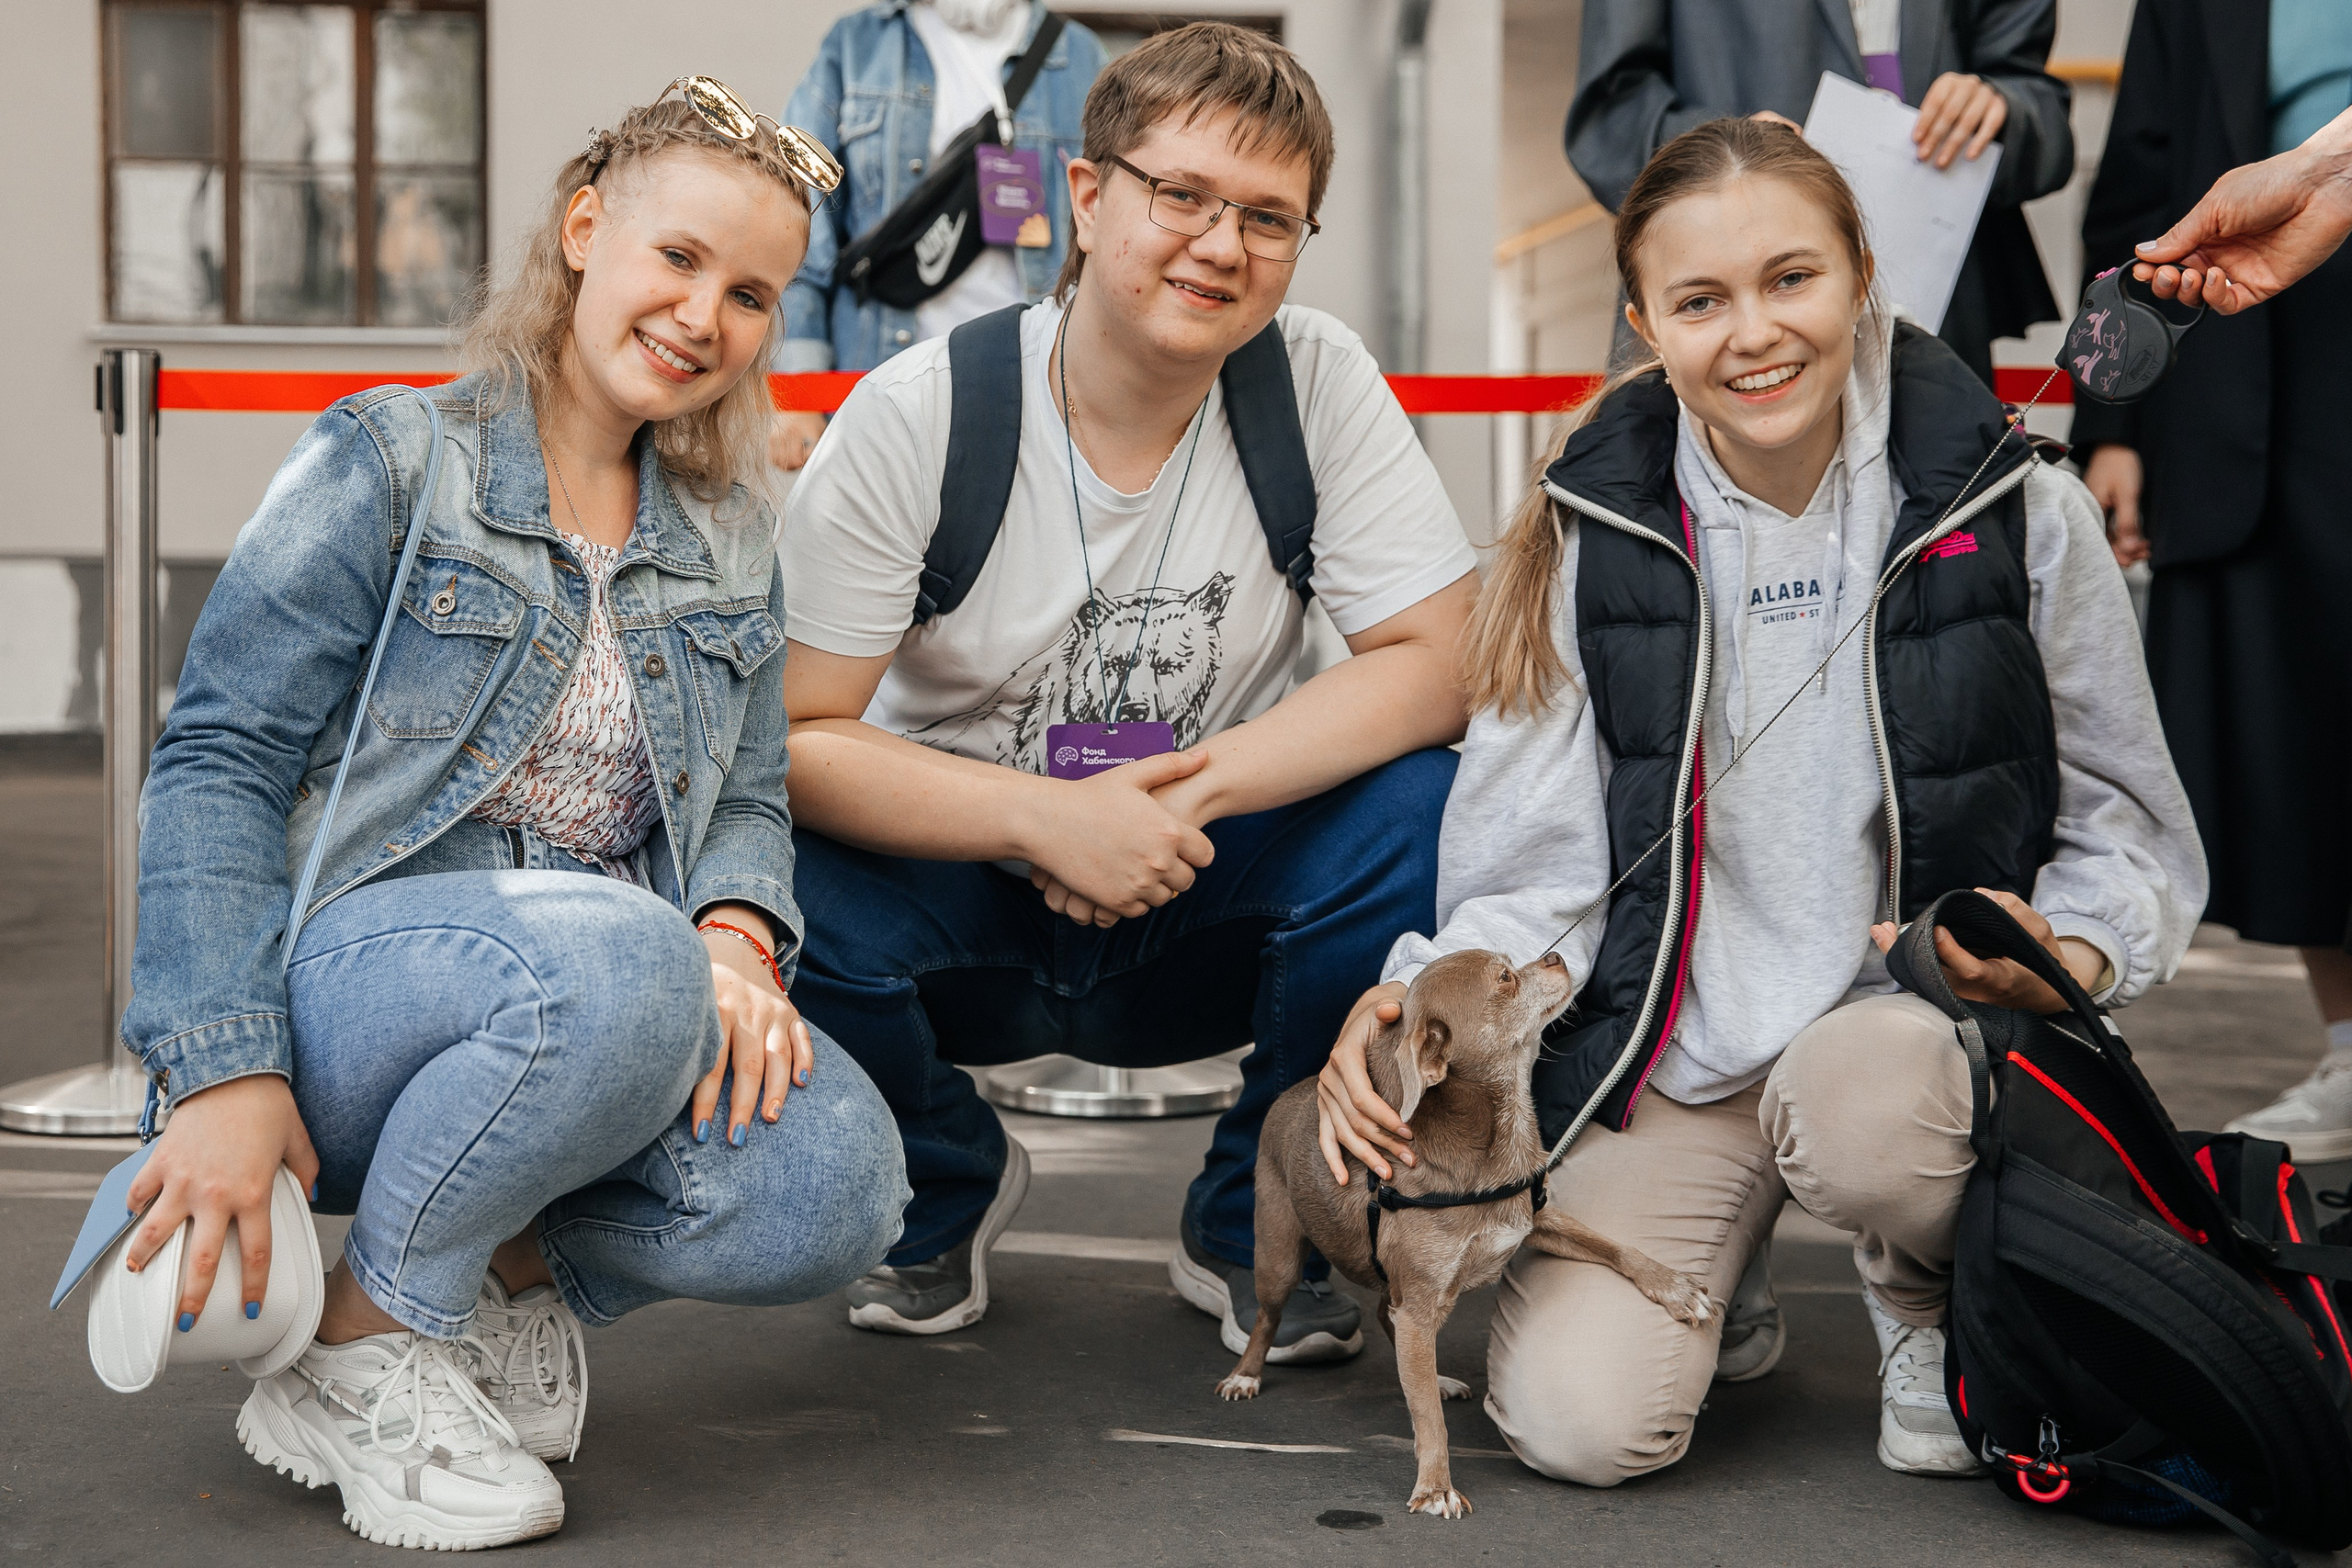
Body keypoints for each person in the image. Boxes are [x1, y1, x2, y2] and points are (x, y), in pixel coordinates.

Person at [1315, 118, 2203, 1488]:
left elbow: (2129, 818)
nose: (1753, 332)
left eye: (1791, 277)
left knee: (1868, 1107)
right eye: (1699, 300)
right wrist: (1420, 993)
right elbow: (1528, 859)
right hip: (1672, 1056)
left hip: (1898, 1035)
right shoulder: (1576, 533)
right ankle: (1724, 1274)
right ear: (1644, 326)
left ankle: (1922, 1301)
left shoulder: (2022, 503)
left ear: (1860, 272)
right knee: (1578, 1424)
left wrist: (2073, 950)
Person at [117, 90, 908, 1551]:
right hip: (365, 993)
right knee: (620, 957)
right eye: (676, 258)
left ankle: (491, 1274)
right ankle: (362, 1343)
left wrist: (734, 928)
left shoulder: (731, 528)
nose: (702, 315)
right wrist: (220, 1066)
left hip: (612, 998)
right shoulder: (394, 460)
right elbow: (220, 757)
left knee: (838, 1185)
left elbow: (741, 787)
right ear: (586, 226)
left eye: (749, 292)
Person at [778, 22, 1478, 1360]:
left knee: (1426, 801)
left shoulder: (1315, 382)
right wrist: (1039, 818)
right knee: (753, 847)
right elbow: (795, 733)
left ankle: (1251, 1211)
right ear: (1088, 198)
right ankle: (941, 1173)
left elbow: (1441, 663)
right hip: (961, 909)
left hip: (1196, 890)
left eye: (1269, 217)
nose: (1223, 244)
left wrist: (1170, 795)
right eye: (1185, 196)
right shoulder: (920, 410)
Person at [2077, 2, 2352, 1163]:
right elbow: (2140, 180)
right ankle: (2349, 1051)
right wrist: (2114, 416)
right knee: (2286, 709)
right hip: (2253, 354)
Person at [1566, 0, 2073, 388]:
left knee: (1946, 515)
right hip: (1731, 320)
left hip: (1930, 310)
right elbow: (1608, 123)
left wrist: (2002, 108)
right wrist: (1728, 154)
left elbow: (2040, 107)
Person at [769, 0, 1105, 471]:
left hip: (1031, 396)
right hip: (877, 390)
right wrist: (798, 395)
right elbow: (799, 227)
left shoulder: (1081, 56)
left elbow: (1108, 237)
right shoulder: (857, 44)